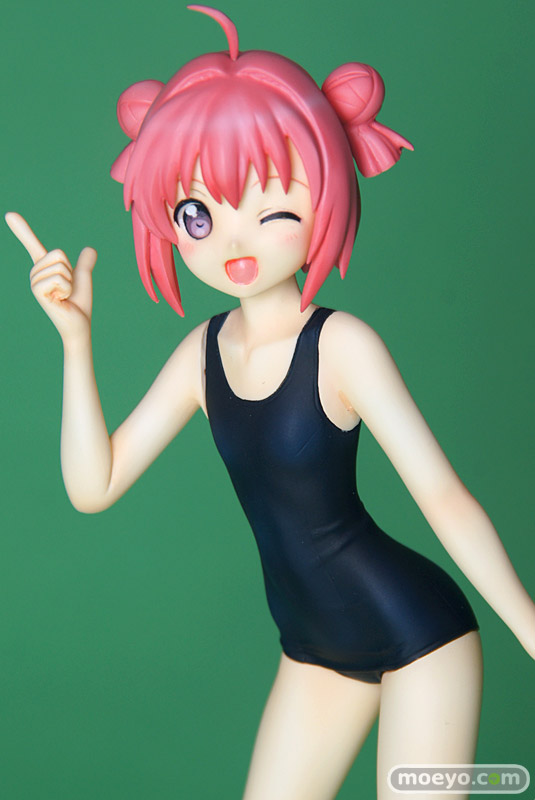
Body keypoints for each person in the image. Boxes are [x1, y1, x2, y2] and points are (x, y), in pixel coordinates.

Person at [6, 6, 534, 799]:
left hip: (418, 635)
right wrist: (75, 344)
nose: (233, 241)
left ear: (324, 195)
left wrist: (528, 625)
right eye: (197, 215)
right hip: (312, 646)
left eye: (272, 208)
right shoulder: (202, 354)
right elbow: (94, 486)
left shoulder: (342, 345)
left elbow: (442, 496)